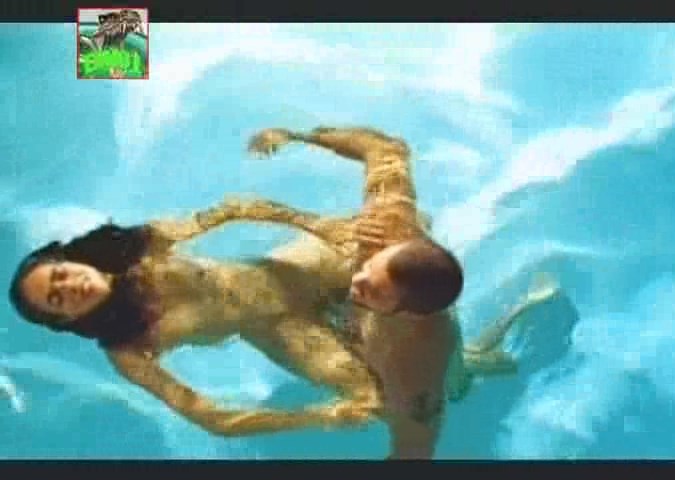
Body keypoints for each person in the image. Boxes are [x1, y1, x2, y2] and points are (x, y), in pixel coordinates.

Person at [8, 193, 559, 447]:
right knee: (410, 392)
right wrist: (322, 416)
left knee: (402, 229)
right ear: (65, 322)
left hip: (290, 269)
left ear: (68, 258)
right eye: (58, 301)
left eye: (60, 274)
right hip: (281, 333)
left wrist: (321, 226)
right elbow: (212, 418)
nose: (69, 287)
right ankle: (498, 340)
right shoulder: (126, 349)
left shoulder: (136, 248)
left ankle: (443, 316)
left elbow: (235, 208)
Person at [243, 126, 515, 458]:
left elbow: (414, 451)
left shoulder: (419, 364)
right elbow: (384, 147)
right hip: (407, 293)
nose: (356, 280)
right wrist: (297, 136)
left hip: (433, 353)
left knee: (460, 383)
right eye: (368, 270)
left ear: (406, 314)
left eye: (372, 290)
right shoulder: (384, 232)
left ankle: (506, 342)